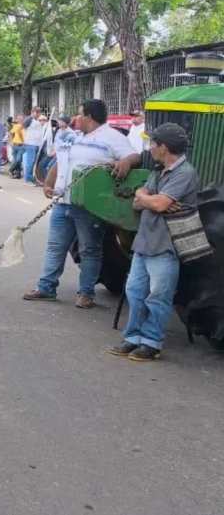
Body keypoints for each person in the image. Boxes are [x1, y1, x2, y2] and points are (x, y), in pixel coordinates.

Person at [24, 99, 141, 308]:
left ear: (89, 116)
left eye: (79, 114)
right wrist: (48, 183)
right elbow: (61, 161)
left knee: (90, 250)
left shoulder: (112, 137)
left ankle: (86, 293)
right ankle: (46, 287)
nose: (76, 119)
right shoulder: (73, 137)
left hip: (89, 207)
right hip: (63, 201)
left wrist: (125, 162)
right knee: (55, 247)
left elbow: (135, 157)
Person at [109, 123, 200, 361]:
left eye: (153, 143)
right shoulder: (157, 172)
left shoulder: (185, 173)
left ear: (164, 147)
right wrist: (144, 194)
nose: (149, 148)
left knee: (158, 295)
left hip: (167, 245)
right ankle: (132, 338)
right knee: (135, 291)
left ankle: (151, 342)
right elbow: (138, 203)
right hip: (145, 242)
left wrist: (150, 198)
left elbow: (157, 204)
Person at [21, 106, 46, 186]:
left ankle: (31, 178)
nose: (39, 114)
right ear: (33, 112)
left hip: (36, 144)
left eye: (40, 112)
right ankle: (28, 179)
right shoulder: (29, 119)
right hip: (31, 143)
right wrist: (23, 140)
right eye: (37, 112)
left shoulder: (36, 121)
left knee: (32, 162)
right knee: (30, 161)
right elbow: (19, 129)